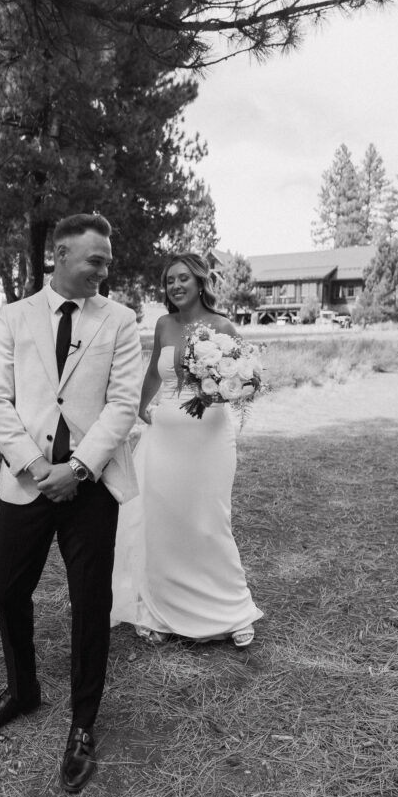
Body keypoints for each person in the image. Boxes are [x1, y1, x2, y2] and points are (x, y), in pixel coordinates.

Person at [0, 214, 142, 794]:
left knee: (91, 603)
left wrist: (79, 468)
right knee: (8, 590)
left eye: (108, 261)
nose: (104, 270)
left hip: (91, 488)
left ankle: (83, 723)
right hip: (27, 482)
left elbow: (121, 405)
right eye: (96, 260)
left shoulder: (121, 321)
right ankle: (23, 690)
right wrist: (40, 470)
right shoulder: (14, 317)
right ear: (61, 255)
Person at [111, 253, 263, 648]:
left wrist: (225, 388)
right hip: (165, 437)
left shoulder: (222, 325)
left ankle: (234, 611)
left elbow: (249, 379)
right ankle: (164, 611)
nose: (175, 286)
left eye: (182, 279)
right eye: (169, 281)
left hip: (209, 439)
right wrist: (141, 407)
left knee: (210, 522)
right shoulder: (163, 324)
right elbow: (151, 373)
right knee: (164, 523)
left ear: (199, 282)